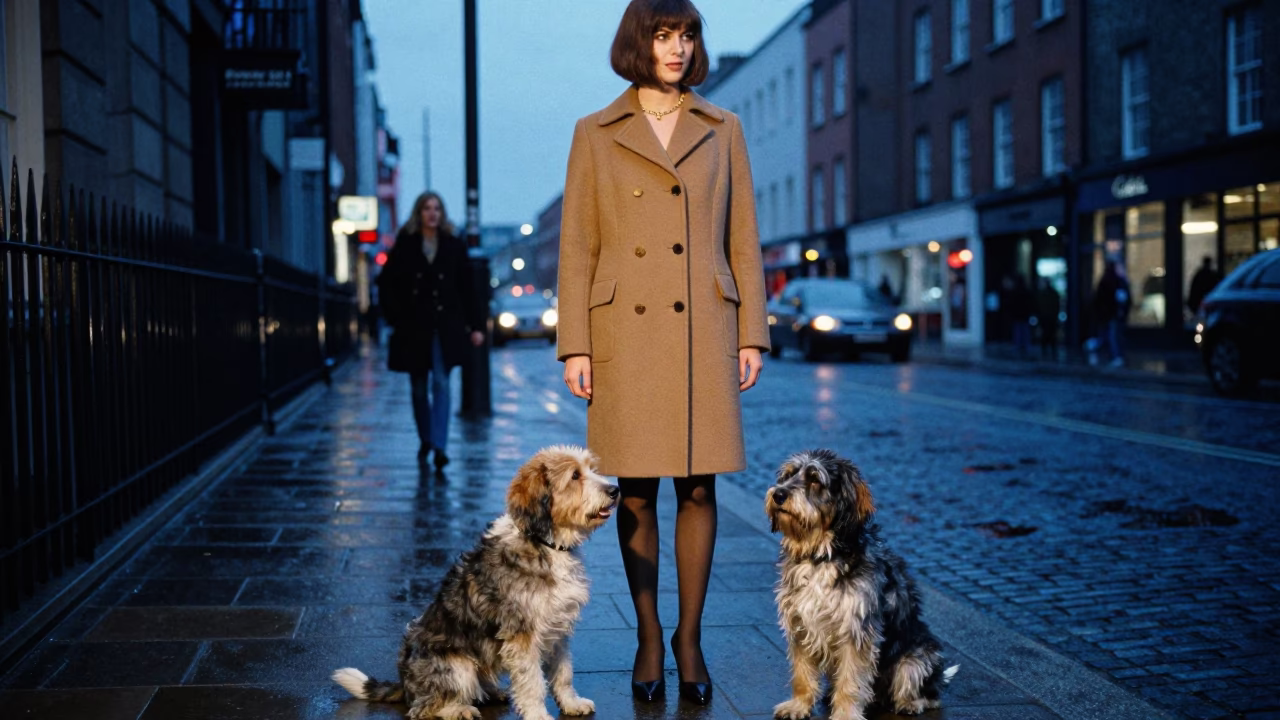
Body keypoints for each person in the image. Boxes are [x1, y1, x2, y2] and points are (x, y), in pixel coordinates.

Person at [556, 0, 769, 706]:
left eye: (687, 36)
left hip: (704, 323)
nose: (677, 49)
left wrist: (751, 331)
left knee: (700, 485)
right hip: (624, 331)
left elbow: (743, 236)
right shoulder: (594, 131)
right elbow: (578, 245)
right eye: (663, 35)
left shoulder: (723, 127)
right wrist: (575, 346)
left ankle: (690, 636)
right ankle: (650, 634)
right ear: (637, 42)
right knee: (637, 489)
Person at [377, 192, 484, 470]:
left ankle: (439, 445)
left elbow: (467, 287)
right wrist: (396, 318)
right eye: (427, 208)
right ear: (419, 212)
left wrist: (475, 326)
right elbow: (387, 284)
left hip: (445, 326)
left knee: (441, 382)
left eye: (437, 208)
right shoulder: (405, 244)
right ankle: (426, 438)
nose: (432, 213)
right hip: (413, 328)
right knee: (418, 388)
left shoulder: (453, 244)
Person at [1093, 259, 1132, 367]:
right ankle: (1115, 356)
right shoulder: (1116, 282)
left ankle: (1111, 355)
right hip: (1112, 314)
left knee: (1110, 336)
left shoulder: (1107, 281)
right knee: (1113, 336)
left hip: (1107, 315)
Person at [1035, 277, 1061, 359]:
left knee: (1046, 335)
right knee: (1051, 335)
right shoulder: (1053, 293)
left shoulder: (1043, 294)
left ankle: (1046, 351)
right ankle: (1052, 351)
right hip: (1051, 317)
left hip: (1046, 317)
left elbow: (1039, 306)